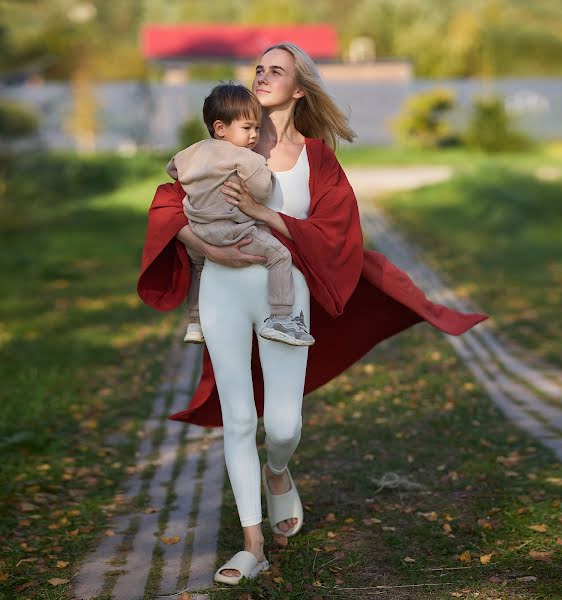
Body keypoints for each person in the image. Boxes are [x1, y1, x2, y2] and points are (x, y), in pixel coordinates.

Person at [137, 42, 488, 585]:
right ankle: (251, 543)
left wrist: (261, 213)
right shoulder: (223, 135)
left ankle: (278, 471)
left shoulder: (317, 158)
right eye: (259, 67)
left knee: (282, 424)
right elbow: (167, 202)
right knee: (238, 419)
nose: (262, 76)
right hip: (223, 292)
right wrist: (208, 248)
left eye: (276, 71)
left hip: (286, 294)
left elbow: (338, 234)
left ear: (299, 89)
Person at [167, 83, 315, 348]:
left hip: (198, 229)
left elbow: (173, 170)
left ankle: (195, 322)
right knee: (280, 256)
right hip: (232, 232)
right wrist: (264, 173)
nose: (254, 135)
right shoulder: (245, 158)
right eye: (247, 128)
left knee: (197, 267)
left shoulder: (190, 152)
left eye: (257, 128)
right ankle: (281, 318)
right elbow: (263, 190)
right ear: (220, 128)